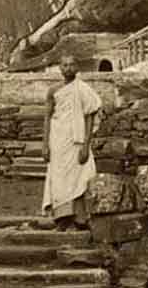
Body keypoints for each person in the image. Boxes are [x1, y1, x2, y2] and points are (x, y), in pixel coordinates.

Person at [41, 54, 102, 231]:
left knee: (80, 177)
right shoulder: (53, 90)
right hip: (58, 139)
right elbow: (47, 117)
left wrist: (85, 144)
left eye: (71, 64)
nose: (68, 68)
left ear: (77, 67)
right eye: (65, 65)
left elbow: (89, 116)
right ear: (60, 68)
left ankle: (80, 219)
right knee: (59, 178)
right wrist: (45, 144)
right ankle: (62, 220)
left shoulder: (83, 89)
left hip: (77, 140)